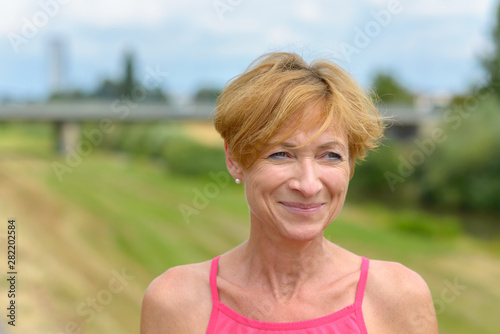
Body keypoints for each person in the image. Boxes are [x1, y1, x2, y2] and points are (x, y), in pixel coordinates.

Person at [140, 52, 438, 333]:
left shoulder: (399, 298)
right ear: (234, 160)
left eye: (330, 155)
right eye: (281, 154)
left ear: (351, 164)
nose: (308, 185)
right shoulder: (175, 303)